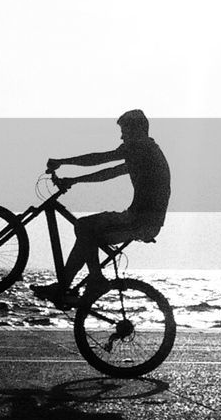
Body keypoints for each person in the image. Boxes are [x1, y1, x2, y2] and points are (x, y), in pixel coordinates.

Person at [30, 109, 170, 308]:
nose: (122, 136)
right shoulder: (146, 152)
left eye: (124, 131)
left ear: (137, 129)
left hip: (140, 221)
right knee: (86, 235)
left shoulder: (141, 148)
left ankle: (96, 281)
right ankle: (63, 288)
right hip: (140, 219)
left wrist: (63, 162)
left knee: (84, 226)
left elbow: (101, 159)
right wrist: (75, 180)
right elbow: (110, 172)